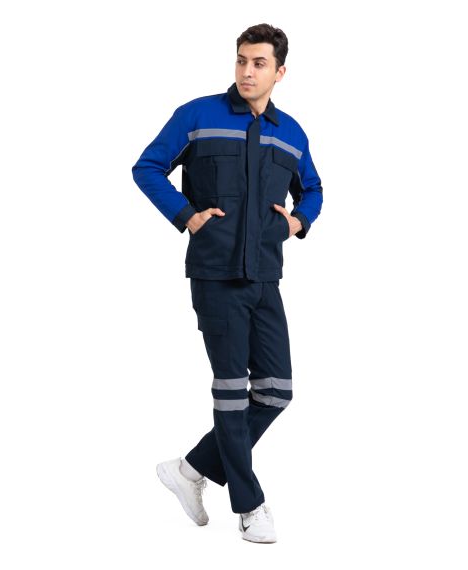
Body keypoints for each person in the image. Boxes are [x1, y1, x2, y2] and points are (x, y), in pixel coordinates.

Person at [131, 23, 323, 543]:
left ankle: (190, 469)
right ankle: (249, 504)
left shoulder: (291, 132)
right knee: (233, 391)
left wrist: (298, 221)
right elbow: (147, 167)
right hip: (215, 274)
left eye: (259, 63)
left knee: (276, 390)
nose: (246, 71)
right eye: (241, 60)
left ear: (280, 72)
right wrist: (187, 215)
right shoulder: (198, 116)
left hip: (265, 274)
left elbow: (313, 189)